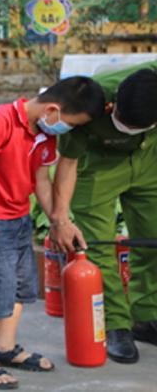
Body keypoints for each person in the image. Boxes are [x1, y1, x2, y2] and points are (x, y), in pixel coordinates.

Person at [0, 77, 105, 389]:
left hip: (15, 215)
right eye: (70, 124)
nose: (68, 130)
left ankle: (4, 348)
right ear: (53, 110)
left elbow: (41, 179)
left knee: (20, 287)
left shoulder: (44, 134)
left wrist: (59, 220)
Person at [49, 63, 157, 364]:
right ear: (113, 105)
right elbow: (68, 162)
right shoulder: (88, 96)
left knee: (152, 239)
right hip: (97, 168)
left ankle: (146, 317)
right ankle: (116, 325)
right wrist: (60, 218)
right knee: (98, 247)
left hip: (150, 160)